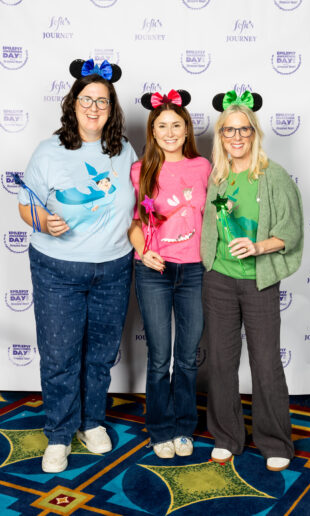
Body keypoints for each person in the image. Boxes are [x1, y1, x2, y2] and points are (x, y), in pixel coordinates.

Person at [18, 58, 137, 473]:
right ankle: (59, 432)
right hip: (57, 269)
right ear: (72, 103)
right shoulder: (49, 151)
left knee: (100, 354)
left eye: (102, 101)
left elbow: (138, 206)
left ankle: (91, 422)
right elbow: (25, 206)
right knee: (59, 355)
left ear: (112, 108)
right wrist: (42, 221)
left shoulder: (124, 150)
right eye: (86, 99)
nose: (93, 108)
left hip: (114, 268)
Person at [200, 90, 303, 471]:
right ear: (221, 135)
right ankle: (227, 436)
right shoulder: (217, 176)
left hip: (259, 283)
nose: (237, 136)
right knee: (221, 362)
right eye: (229, 130)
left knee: (266, 363)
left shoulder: (273, 175)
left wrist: (259, 247)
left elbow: (290, 232)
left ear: (255, 133)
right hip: (219, 280)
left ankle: (274, 441)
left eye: (244, 129)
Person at [129, 89, 211, 459]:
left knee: (188, 357)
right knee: (160, 357)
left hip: (194, 271)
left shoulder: (203, 167)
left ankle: (183, 427)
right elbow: (134, 222)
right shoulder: (140, 170)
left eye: (176, 125)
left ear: (187, 129)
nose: (169, 132)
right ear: (152, 131)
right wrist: (142, 251)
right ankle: (160, 429)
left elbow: (214, 218)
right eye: (162, 126)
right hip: (155, 271)